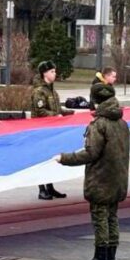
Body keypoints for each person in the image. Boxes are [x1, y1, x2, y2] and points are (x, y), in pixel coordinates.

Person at [56, 83, 130, 260]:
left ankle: (100, 259)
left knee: (100, 218)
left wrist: (65, 158)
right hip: (117, 178)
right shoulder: (122, 123)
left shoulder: (98, 125)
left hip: (100, 179)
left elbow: (91, 153)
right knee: (112, 217)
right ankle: (111, 259)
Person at [32, 61, 74, 200]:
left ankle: (50, 187)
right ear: (44, 73)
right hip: (41, 130)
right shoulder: (39, 91)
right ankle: (41, 189)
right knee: (42, 160)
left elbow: (57, 109)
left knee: (52, 159)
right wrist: (56, 116)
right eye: (52, 72)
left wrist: (70, 113)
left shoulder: (52, 91)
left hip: (52, 131)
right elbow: (40, 111)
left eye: (55, 71)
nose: (54, 74)